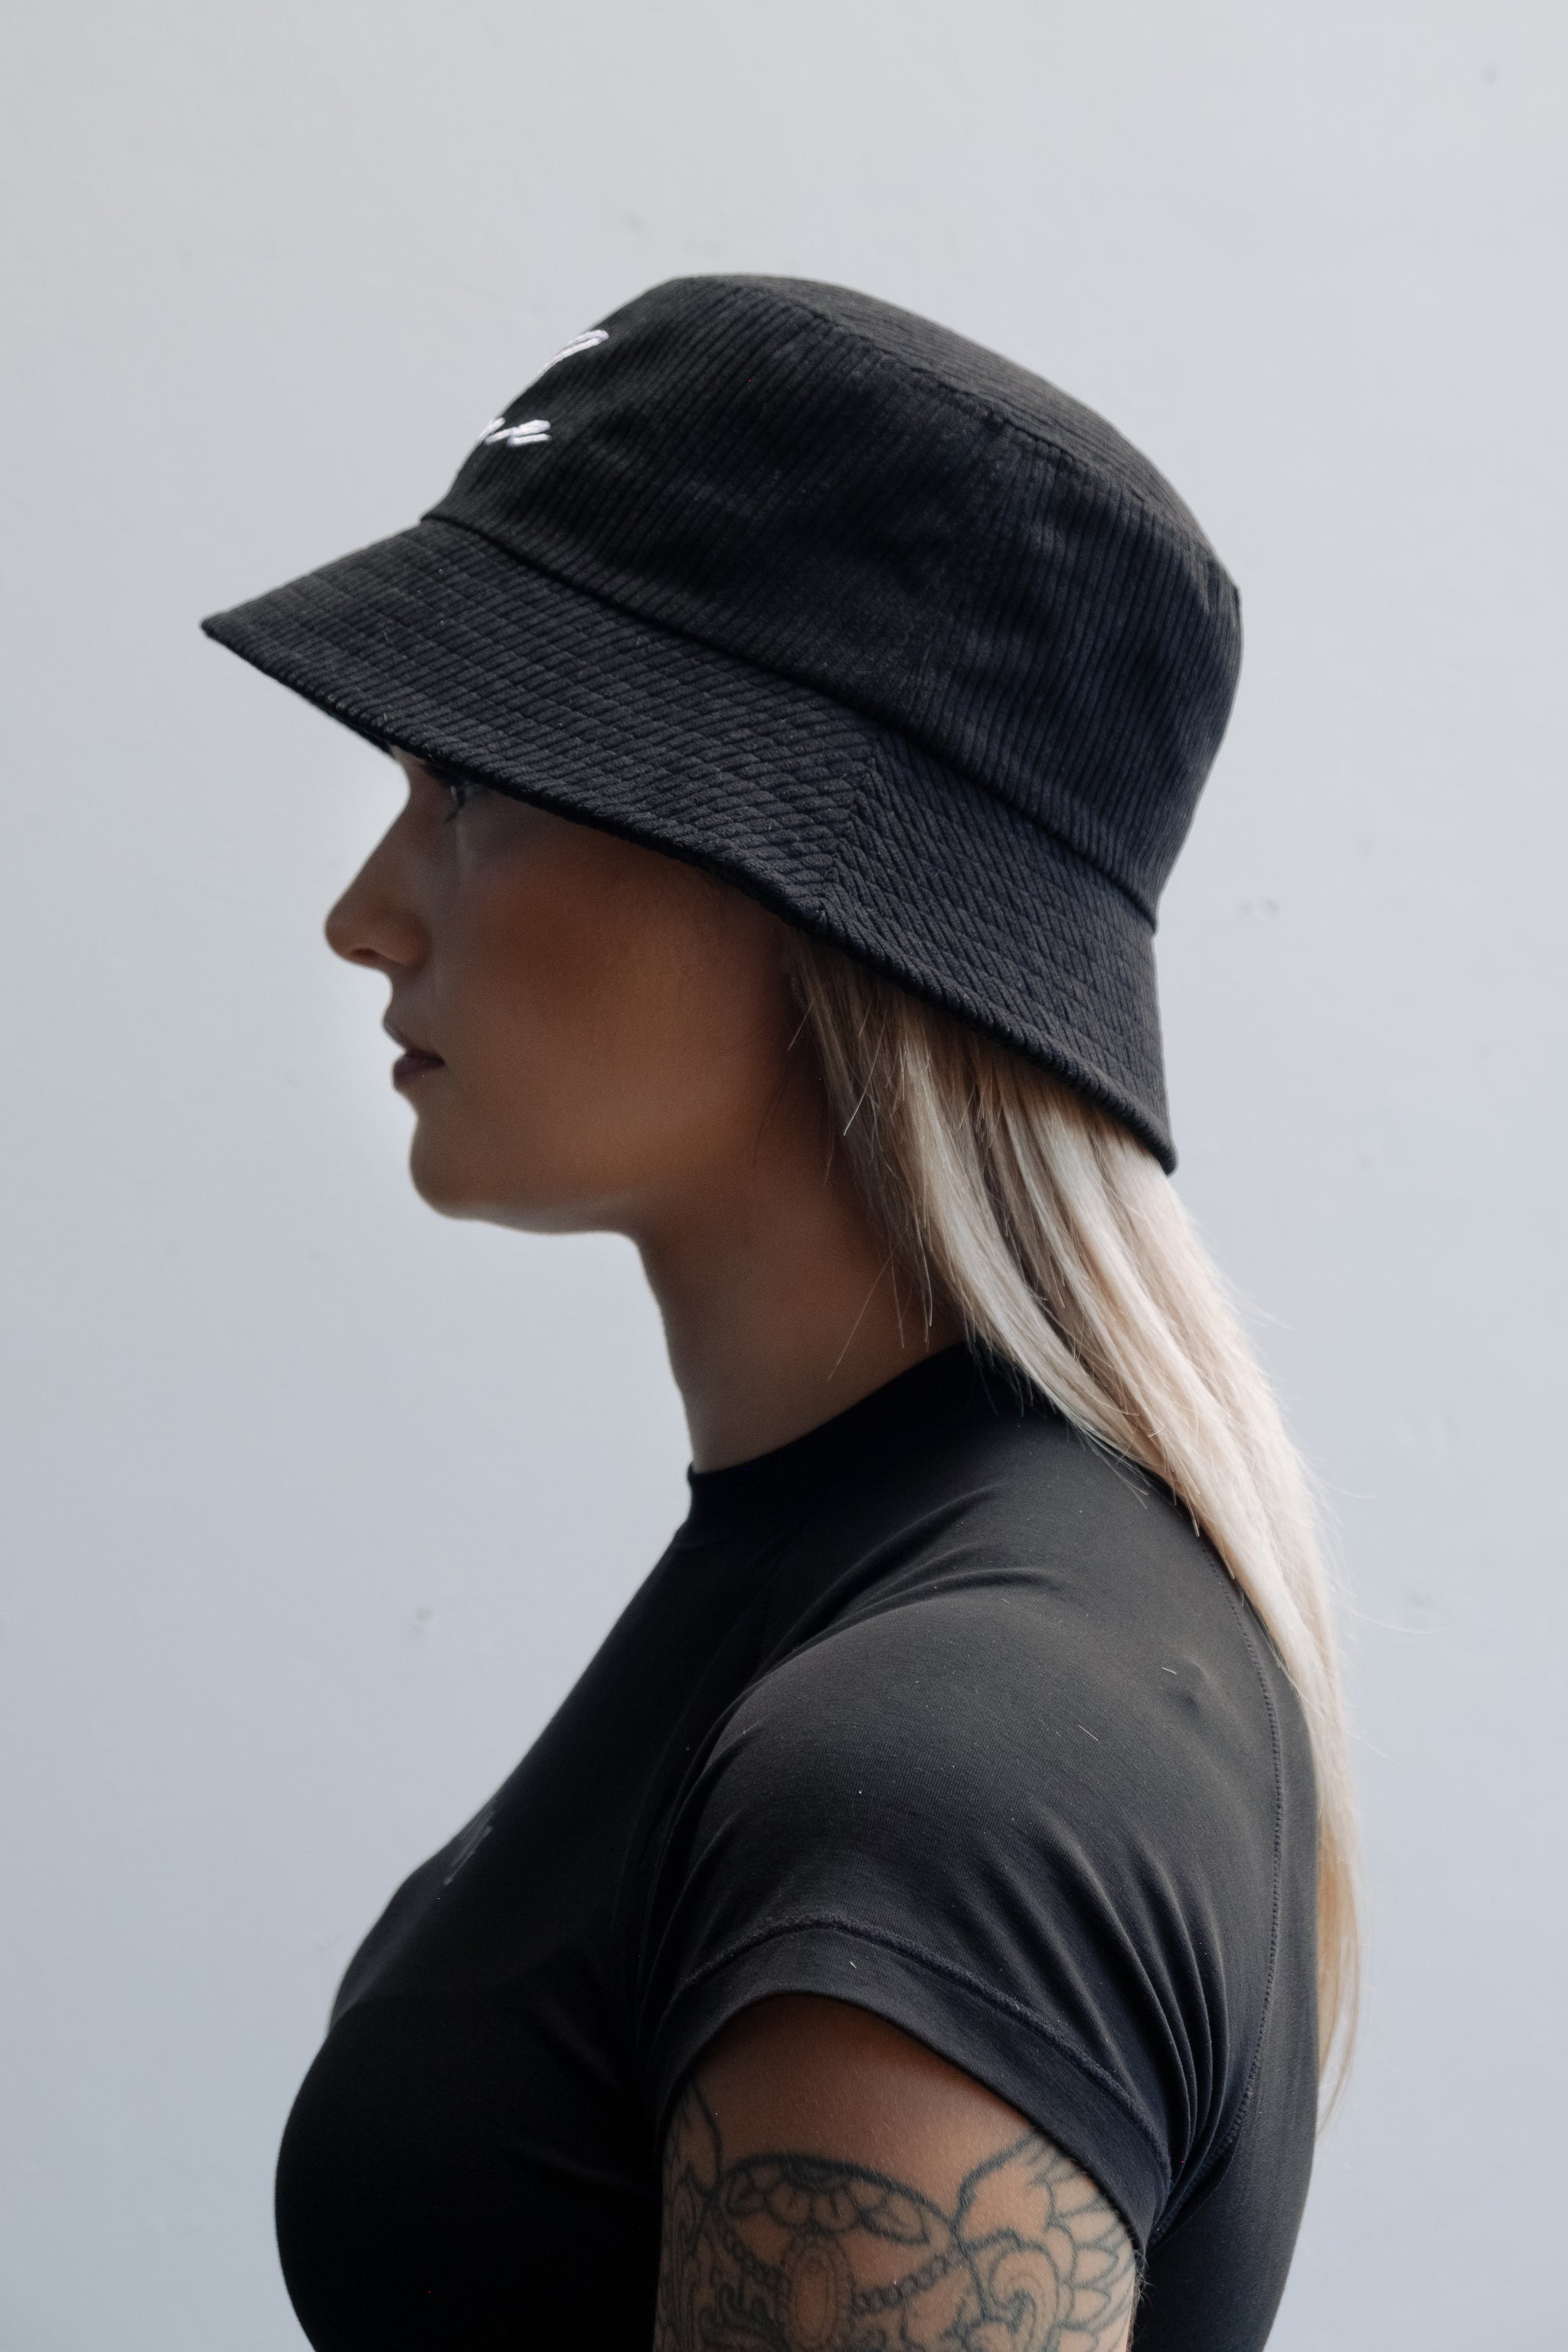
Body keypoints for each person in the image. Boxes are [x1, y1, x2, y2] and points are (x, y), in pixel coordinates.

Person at [202, 275, 1355, 2352]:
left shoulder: (944, 1762)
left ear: (815, 886)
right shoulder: (880, 1612)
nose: (366, 914)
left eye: (470, 789)